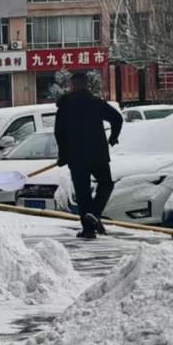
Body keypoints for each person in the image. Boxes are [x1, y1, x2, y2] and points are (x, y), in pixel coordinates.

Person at [52, 70, 124, 239]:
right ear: (86, 85)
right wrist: (113, 137)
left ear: (72, 86)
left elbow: (59, 133)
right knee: (106, 184)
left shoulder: (65, 106)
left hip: (76, 156)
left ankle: (88, 229)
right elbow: (117, 119)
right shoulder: (95, 103)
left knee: (82, 193)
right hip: (97, 154)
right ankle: (95, 213)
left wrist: (63, 155)